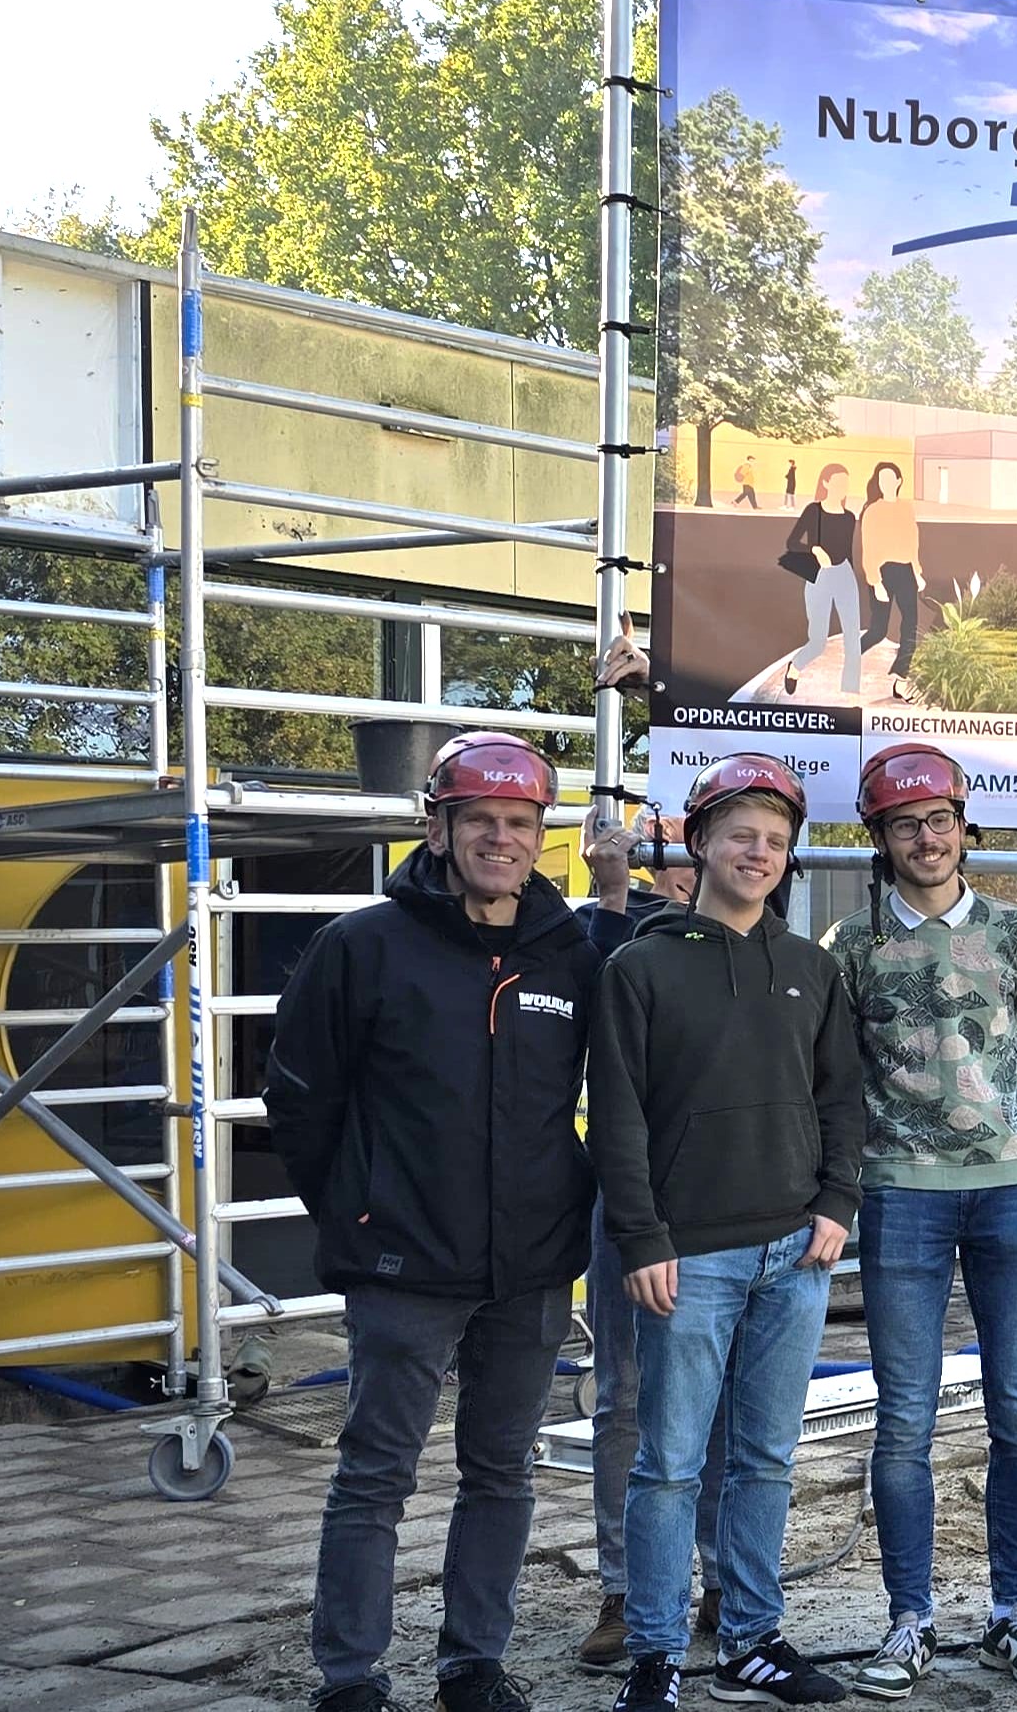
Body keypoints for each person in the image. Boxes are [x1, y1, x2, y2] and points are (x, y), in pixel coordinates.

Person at [266, 732, 603, 1712]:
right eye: (481, 820)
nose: (501, 838)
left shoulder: (570, 955)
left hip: (531, 1266)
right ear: (437, 825)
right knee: (376, 1470)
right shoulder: (363, 946)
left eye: (520, 822)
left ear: (542, 835)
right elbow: (299, 1096)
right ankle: (351, 1677)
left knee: (501, 1469)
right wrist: (356, 1211)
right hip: (402, 1264)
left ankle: (472, 1665)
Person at [592, 754, 868, 1710]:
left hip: (795, 1252)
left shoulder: (810, 968)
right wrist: (641, 1238)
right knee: (667, 1463)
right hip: (688, 1257)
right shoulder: (640, 966)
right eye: (741, 835)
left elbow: (843, 1096)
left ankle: (752, 1638)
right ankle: (658, 1654)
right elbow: (617, 1114)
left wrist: (838, 1203)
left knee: (764, 1457)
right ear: (699, 840)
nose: (759, 853)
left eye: (776, 841)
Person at [819, 744, 1017, 1699]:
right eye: (902, 825)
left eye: (939, 821)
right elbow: (837, 1071)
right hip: (898, 1195)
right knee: (905, 1418)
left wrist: (1008, 1123)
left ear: (964, 827)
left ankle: (1013, 1609)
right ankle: (909, 1619)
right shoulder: (850, 947)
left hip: (1012, 1190)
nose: (925, 839)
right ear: (879, 839)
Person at [573, 809, 720, 1671]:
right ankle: (628, 1589)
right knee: (626, 1398)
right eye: (659, 857)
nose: (680, 873)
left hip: (733, 1214)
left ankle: (719, 1581)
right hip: (630, 1207)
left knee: (726, 1407)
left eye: (686, 854)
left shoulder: (765, 948)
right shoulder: (614, 948)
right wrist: (606, 891)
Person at [767, 465, 863, 699]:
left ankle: (851, 690)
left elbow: (847, 551)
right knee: (818, 640)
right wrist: (814, 550)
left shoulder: (850, 517)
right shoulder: (813, 511)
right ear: (826, 483)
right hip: (819, 575)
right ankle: (796, 666)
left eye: (846, 483)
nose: (842, 487)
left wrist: (851, 576)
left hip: (844, 574)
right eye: (838, 482)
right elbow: (792, 543)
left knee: (852, 635)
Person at [856, 461, 926, 705]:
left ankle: (900, 679)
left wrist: (916, 571)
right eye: (881, 479)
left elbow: (912, 541)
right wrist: (875, 582)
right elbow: (869, 548)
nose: (886, 483)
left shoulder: (906, 508)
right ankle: (852, 655)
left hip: (905, 570)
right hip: (882, 572)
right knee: (879, 630)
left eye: (890, 478)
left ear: (898, 481)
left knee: (910, 626)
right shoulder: (872, 511)